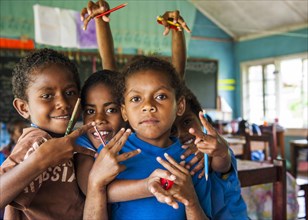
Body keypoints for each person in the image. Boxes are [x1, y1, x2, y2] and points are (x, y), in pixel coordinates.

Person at [0, 48, 103, 219]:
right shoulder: (37, 140)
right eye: (47, 95)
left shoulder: (76, 141)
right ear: (23, 108)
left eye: (69, 93)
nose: (62, 103)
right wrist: (42, 159)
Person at [107, 55, 211, 219]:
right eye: (136, 98)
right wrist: (146, 186)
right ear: (124, 111)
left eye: (160, 96)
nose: (148, 106)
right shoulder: (112, 153)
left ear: (180, 106)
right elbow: (95, 192)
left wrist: (191, 200)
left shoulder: (193, 160)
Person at [173, 87, 248, 219]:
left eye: (187, 121)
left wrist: (220, 153)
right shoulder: (174, 156)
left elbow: (222, 165)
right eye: (172, 129)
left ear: (201, 118)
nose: (182, 133)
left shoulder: (215, 149)